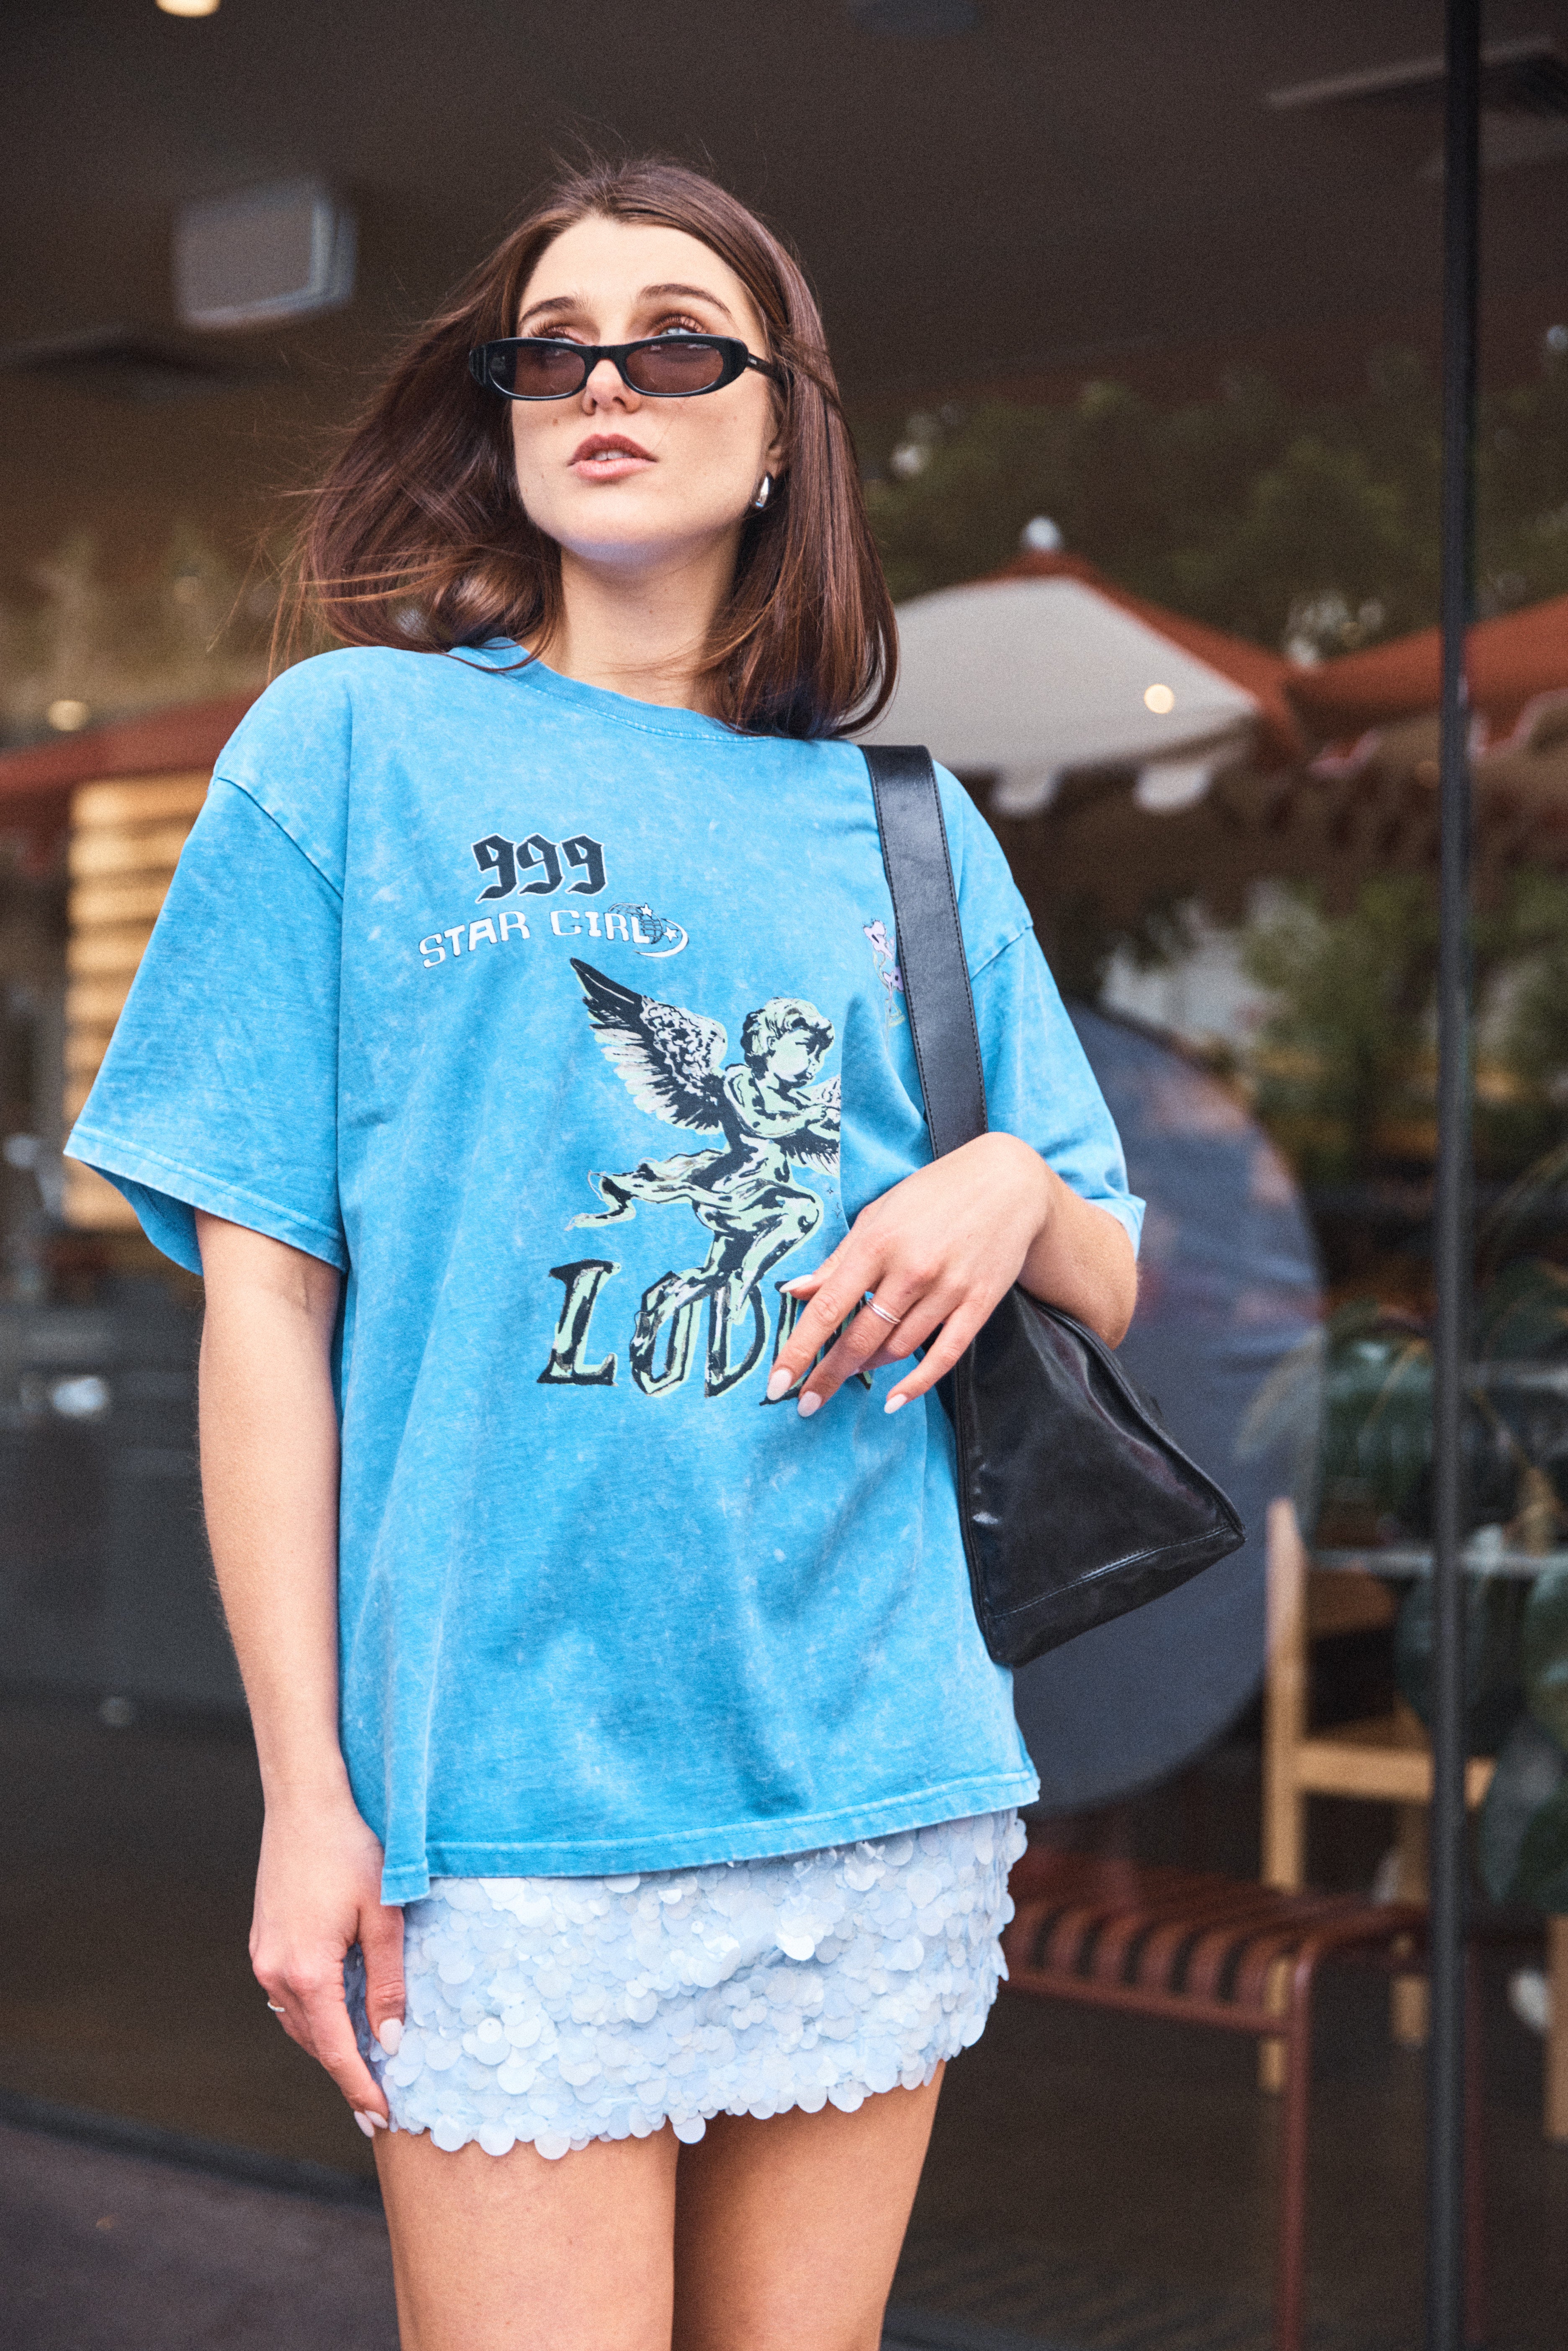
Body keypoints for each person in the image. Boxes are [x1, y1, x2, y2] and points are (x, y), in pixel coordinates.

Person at [67, 157, 1141, 2351]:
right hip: (501, 1799)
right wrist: (307, 1792)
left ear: (782, 430)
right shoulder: (353, 746)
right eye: (551, 351)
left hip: (867, 1759)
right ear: (503, 415)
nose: (605, 385)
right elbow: (265, 1307)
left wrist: (1011, 1190)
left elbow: (1105, 1264)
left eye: (673, 342)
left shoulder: (903, 825)